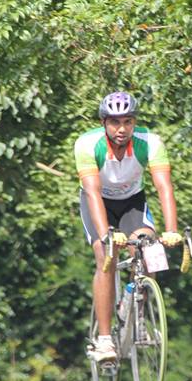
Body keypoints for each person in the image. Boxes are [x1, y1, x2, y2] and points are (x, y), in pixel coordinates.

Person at [74, 91, 182, 363]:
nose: (121, 129)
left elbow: (164, 187)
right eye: (115, 122)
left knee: (150, 250)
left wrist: (171, 230)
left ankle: (137, 308)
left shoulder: (151, 142)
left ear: (135, 122)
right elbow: (92, 192)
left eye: (128, 121)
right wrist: (106, 235)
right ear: (104, 123)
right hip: (97, 202)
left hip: (132, 202)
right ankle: (104, 340)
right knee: (106, 256)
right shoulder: (87, 144)